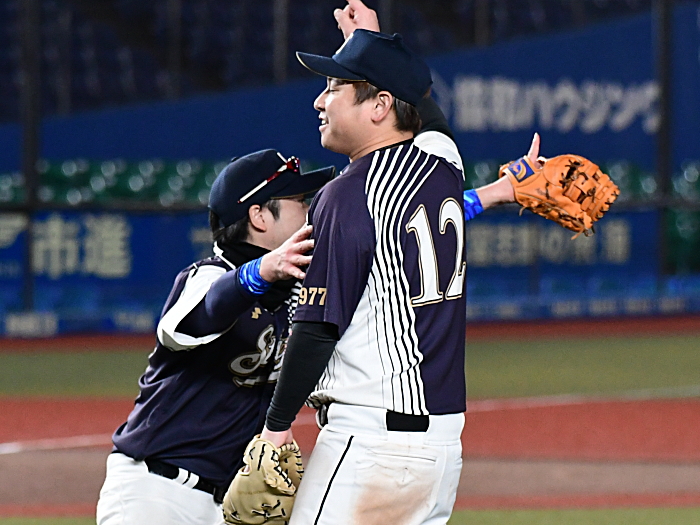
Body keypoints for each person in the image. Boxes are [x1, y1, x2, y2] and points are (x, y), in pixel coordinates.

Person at [252, 2, 542, 524]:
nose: (319, 101)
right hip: (440, 451)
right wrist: (374, 42)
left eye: (334, 88)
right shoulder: (444, 164)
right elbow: (429, 115)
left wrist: (275, 428)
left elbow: (317, 328)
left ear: (381, 105)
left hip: (370, 446)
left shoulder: (348, 193)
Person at [95, 149, 335, 525]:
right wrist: (259, 272)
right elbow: (195, 318)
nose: (310, 211)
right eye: (299, 201)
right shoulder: (206, 277)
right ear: (259, 216)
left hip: (228, 505)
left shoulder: (296, 294)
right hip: (156, 494)